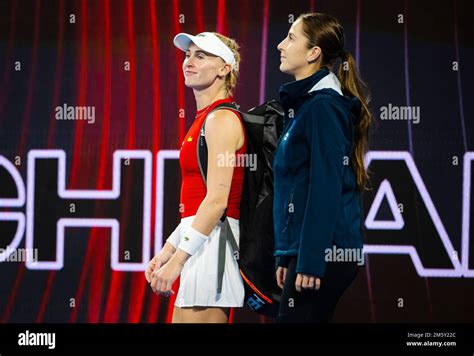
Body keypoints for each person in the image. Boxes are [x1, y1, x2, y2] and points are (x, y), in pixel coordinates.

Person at [273, 13, 372, 323]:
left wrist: (312, 260)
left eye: (291, 37)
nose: (281, 45)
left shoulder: (323, 106)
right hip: (311, 250)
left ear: (314, 52)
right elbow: (298, 188)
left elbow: (324, 188)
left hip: (327, 253)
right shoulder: (309, 106)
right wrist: (289, 253)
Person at [145, 32, 246, 323]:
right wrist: (168, 250)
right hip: (200, 242)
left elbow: (216, 203)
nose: (189, 61)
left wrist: (177, 262)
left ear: (225, 68)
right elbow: (196, 205)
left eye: (201, 56)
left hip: (215, 247)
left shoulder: (221, 119)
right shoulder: (206, 119)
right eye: (188, 55)